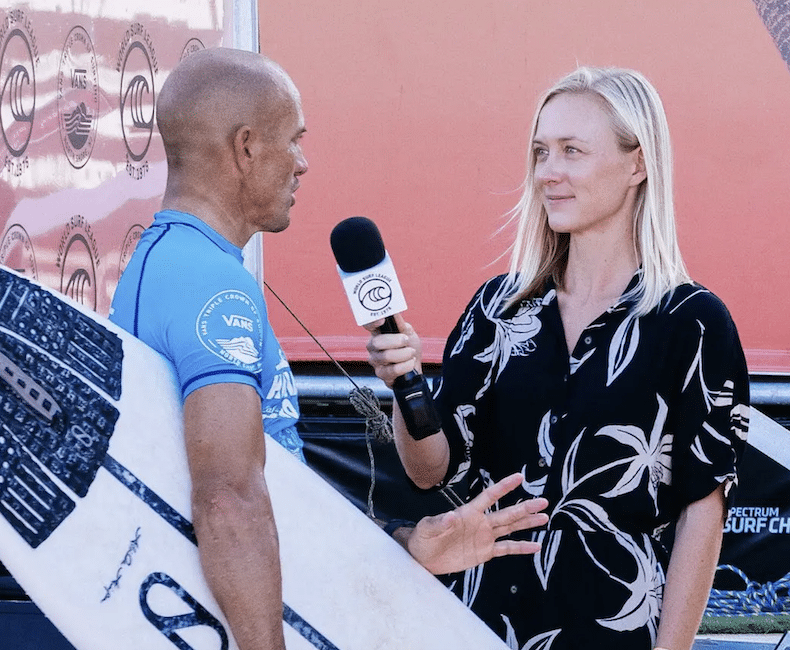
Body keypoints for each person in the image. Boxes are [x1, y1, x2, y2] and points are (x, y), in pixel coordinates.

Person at [110, 47, 548, 650]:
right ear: (246, 148)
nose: (303, 163)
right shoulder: (210, 280)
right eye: (293, 140)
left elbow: (274, 493)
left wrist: (403, 542)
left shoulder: (169, 261)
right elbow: (229, 499)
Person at [366, 66, 750, 650]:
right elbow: (430, 469)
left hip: (613, 631)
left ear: (637, 164)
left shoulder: (693, 323)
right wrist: (404, 383)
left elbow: (703, 513)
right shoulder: (497, 308)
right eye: (541, 152)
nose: (549, 173)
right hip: (475, 627)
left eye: (572, 151)